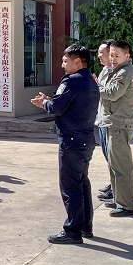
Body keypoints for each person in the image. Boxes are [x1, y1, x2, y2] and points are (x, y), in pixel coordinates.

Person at [31, 44, 99, 244]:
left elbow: (57, 108)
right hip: (86, 140)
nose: (62, 65)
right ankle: (85, 226)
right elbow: (71, 105)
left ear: (77, 61)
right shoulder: (90, 80)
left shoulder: (71, 81)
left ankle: (73, 231)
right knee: (82, 183)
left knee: (70, 187)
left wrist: (45, 103)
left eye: (65, 61)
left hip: (71, 141)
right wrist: (50, 100)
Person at [100, 40, 133, 217]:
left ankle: (126, 206)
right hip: (113, 123)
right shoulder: (118, 71)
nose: (113, 59)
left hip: (119, 124)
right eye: (111, 55)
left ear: (127, 56)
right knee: (114, 165)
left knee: (121, 167)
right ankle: (118, 199)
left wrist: (96, 86)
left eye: (117, 55)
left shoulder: (125, 72)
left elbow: (112, 93)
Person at [94, 39, 114, 201]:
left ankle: (116, 190)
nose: (99, 56)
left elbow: (110, 94)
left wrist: (97, 85)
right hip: (102, 119)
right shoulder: (105, 70)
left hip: (111, 121)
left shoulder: (117, 72)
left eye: (102, 52)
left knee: (114, 157)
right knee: (108, 155)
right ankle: (113, 185)